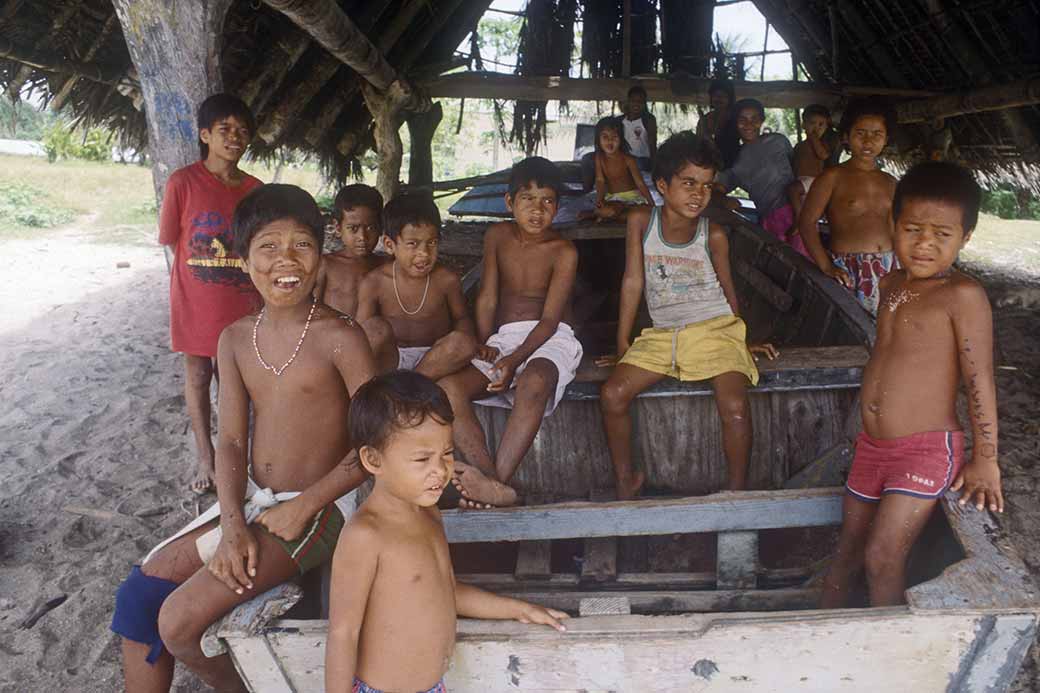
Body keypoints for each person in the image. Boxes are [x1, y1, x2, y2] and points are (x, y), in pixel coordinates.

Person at [112, 184, 377, 693]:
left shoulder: (341, 337)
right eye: (269, 246)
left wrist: (306, 507)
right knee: (139, 596)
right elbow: (230, 442)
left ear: (321, 254)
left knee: (178, 623)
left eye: (302, 244)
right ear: (244, 258)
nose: (287, 260)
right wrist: (233, 524)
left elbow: (375, 443)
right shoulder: (234, 339)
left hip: (322, 510)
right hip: (255, 502)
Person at [820, 161, 1001, 609]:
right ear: (892, 225)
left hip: (923, 450)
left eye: (942, 234)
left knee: (883, 557)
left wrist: (987, 460)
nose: (924, 244)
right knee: (845, 554)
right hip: (871, 448)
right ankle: (819, 629)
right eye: (912, 229)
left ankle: (887, 659)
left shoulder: (963, 295)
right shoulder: (889, 283)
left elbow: (980, 380)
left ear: (965, 238)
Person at [325, 370, 568, 693]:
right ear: (373, 459)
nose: (440, 470)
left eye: (447, 454)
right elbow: (343, 632)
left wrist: (518, 609)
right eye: (422, 458)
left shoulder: (428, 512)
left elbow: (444, 592)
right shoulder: (366, 535)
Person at [597, 132, 778, 499]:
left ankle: (736, 494)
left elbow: (728, 290)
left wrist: (741, 339)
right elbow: (633, 281)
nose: (699, 194)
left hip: (715, 329)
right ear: (663, 185)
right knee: (612, 394)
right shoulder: (640, 221)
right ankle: (625, 479)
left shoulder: (714, 234)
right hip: (663, 333)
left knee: (735, 407)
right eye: (689, 183)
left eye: (708, 186)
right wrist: (623, 344)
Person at [438, 157, 582, 508]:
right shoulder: (497, 236)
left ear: (557, 208)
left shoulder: (563, 251)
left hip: (552, 337)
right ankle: (492, 482)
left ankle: (494, 484)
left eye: (547, 201)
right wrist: (488, 345)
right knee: (448, 388)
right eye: (527, 200)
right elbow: (487, 296)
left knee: (534, 379)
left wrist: (514, 360)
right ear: (509, 203)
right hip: (504, 338)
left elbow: (549, 321)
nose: (537, 210)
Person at [158, 93, 263, 495]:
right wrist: (197, 281)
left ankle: (237, 454)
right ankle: (206, 455)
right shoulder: (182, 182)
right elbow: (172, 242)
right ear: (205, 135)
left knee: (236, 380)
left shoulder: (255, 189)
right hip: (197, 301)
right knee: (199, 376)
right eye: (225, 130)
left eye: (241, 131)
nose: (234, 138)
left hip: (242, 303)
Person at [356, 194, 477, 380]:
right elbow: (363, 335)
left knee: (463, 342)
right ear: (389, 245)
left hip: (436, 360)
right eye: (413, 244)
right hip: (392, 360)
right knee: (373, 329)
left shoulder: (446, 280)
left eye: (432, 243)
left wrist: (469, 337)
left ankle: (412, 386)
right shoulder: (374, 282)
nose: (424, 253)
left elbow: (461, 318)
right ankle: (400, 390)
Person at [798, 98, 899, 315]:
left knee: (886, 330)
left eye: (877, 134)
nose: (868, 141)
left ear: (886, 139)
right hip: (849, 268)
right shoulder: (832, 177)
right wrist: (826, 265)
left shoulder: (891, 182)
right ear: (846, 136)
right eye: (860, 133)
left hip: (890, 266)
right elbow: (807, 222)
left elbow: (896, 226)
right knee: (853, 334)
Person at [716, 98, 808, 258]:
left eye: (754, 119)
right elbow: (717, 189)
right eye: (742, 120)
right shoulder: (734, 160)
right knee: (784, 266)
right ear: (735, 123)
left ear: (762, 120)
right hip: (769, 220)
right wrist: (724, 201)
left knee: (806, 262)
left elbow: (798, 170)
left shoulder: (778, 141)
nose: (748, 124)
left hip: (798, 212)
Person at [314, 183, 385, 317]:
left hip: (371, 336)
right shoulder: (326, 264)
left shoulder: (385, 265)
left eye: (370, 228)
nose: (362, 237)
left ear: (380, 227)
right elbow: (312, 309)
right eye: (353, 228)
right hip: (334, 334)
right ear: (338, 227)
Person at [589, 116, 653, 221]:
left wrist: (651, 203)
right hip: (612, 200)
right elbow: (600, 180)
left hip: (632, 199)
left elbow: (640, 183)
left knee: (635, 215)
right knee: (611, 210)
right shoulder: (599, 158)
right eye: (605, 137)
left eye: (614, 137)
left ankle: (600, 215)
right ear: (598, 139)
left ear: (621, 139)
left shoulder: (628, 159)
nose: (610, 141)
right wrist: (600, 200)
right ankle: (602, 213)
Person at [788, 104, 835, 221]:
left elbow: (823, 155)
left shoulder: (821, 144)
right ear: (804, 125)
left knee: (792, 190)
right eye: (812, 123)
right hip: (801, 181)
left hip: (813, 181)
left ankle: (799, 218)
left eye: (821, 125)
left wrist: (813, 139)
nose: (816, 128)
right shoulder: (799, 145)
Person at [696, 78, 742, 169]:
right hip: (709, 166)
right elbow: (698, 143)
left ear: (730, 99)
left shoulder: (736, 119)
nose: (719, 99)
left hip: (733, 168)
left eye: (723, 96)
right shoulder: (705, 119)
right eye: (716, 95)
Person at [619, 84, 657, 170]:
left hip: (643, 160)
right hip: (624, 159)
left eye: (640, 101)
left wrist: (654, 167)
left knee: (634, 163)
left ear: (644, 103)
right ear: (628, 101)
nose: (637, 103)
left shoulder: (648, 120)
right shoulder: (620, 120)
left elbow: (652, 144)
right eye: (633, 100)